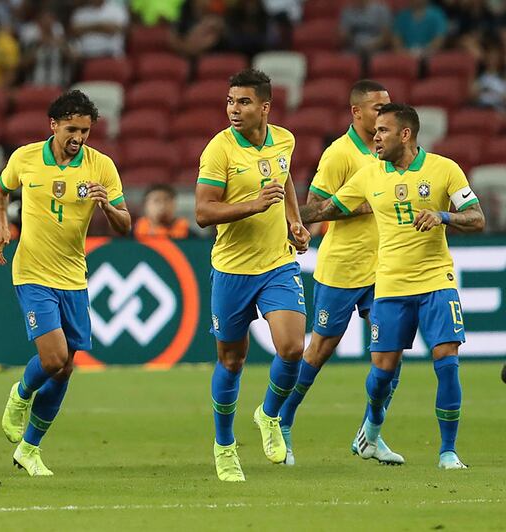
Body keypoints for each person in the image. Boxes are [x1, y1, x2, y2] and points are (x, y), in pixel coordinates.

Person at [311, 103, 485, 469]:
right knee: (382, 373)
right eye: (374, 131)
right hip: (389, 285)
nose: (375, 137)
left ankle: (448, 452)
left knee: (447, 362)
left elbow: (477, 218)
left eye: (383, 131)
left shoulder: (444, 169)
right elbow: (327, 209)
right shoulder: (369, 175)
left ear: (405, 135)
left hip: (437, 279)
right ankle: (371, 428)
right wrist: (291, 216)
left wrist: (442, 216)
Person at [0, 90, 131, 477]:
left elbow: (126, 225)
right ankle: (20, 394)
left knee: (65, 368)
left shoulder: (101, 166)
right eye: (72, 128)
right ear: (53, 125)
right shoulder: (24, 158)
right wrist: (4, 227)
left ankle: (30, 449)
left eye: (85, 130)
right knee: (53, 358)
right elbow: (0, 190)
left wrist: (108, 207)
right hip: (33, 271)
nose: (79, 137)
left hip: (73, 275)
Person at [277, 80, 404, 467]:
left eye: (388, 107)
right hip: (343, 269)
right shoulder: (339, 154)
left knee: (391, 353)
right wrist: (365, 206)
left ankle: (371, 434)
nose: (384, 113)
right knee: (319, 350)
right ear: (356, 112)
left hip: (385, 268)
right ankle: (282, 421)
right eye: (377, 108)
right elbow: (312, 208)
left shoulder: (392, 151)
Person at [194, 69, 310, 481]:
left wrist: (293, 221)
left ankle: (269, 415)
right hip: (232, 269)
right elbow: (203, 212)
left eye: (242, 102)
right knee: (232, 359)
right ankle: (224, 445)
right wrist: (254, 205)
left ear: (264, 106)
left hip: (277, 263)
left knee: (293, 347)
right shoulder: (219, 151)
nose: (233, 110)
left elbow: (284, 181)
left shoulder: (285, 139)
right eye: (229, 101)